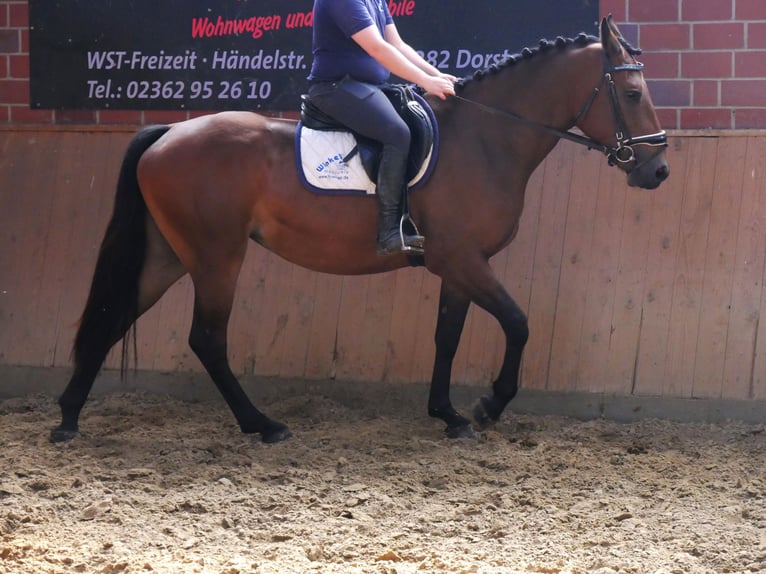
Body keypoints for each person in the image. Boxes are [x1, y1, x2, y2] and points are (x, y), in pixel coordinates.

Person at [307, 0, 457, 255]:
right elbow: (377, 47)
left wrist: (436, 75)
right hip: (335, 87)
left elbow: (397, 45)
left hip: (368, 86)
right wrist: (425, 80)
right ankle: (389, 231)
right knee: (397, 132)